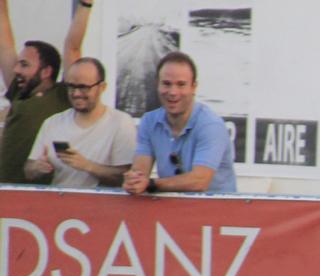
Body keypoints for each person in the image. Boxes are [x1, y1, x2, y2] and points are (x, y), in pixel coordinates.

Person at [0, 0, 92, 183]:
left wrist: (85, 6)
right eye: (18, 63)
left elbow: (72, 47)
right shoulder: (19, 92)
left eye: (24, 64)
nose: (16, 70)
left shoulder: (62, 96)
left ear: (46, 72)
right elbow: (4, 41)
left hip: (36, 195)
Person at [123, 51, 237, 195]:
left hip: (217, 211)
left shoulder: (211, 125)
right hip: (173, 210)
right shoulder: (149, 121)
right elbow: (139, 172)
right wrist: (134, 181)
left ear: (193, 87)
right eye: (166, 84)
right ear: (157, 85)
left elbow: (199, 182)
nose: (173, 92)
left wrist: (151, 184)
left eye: (181, 85)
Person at [24, 57, 135, 187]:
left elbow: (126, 176)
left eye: (83, 87)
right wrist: (37, 168)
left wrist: (87, 166)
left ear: (102, 87)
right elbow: (28, 170)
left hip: (103, 204)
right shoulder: (52, 123)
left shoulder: (120, 122)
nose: (76, 93)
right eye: (71, 86)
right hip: (60, 201)